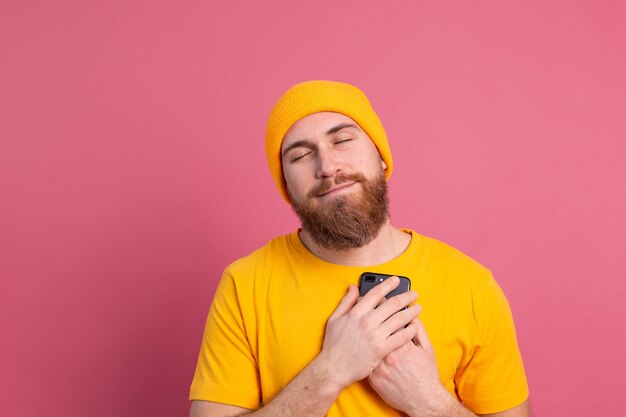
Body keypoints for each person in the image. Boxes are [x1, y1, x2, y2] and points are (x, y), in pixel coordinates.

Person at [189, 80, 531, 417]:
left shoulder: (470, 284)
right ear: (287, 186)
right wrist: (332, 370)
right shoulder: (245, 284)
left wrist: (427, 403)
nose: (326, 167)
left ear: (380, 157)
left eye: (343, 139)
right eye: (301, 156)